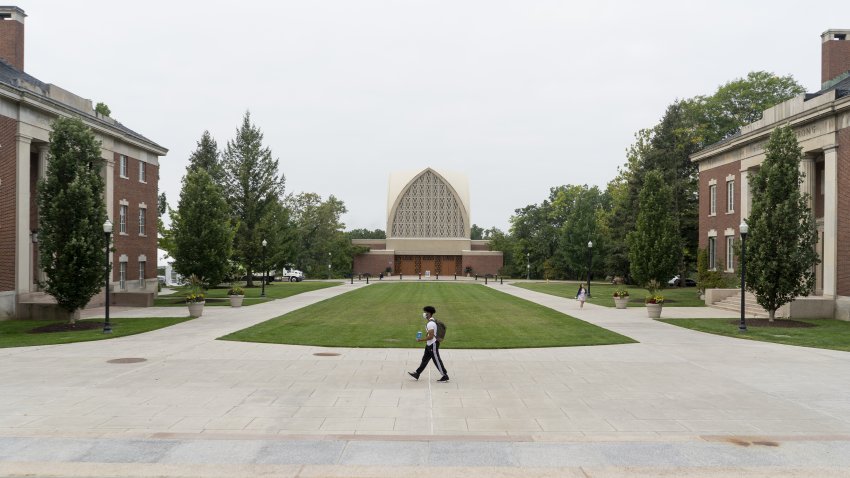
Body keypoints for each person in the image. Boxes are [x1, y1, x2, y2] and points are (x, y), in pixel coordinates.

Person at [408, 305, 449, 383]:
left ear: (429, 313)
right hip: (429, 345)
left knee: (437, 360)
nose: (424, 314)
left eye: (425, 312)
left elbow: (430, 336)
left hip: (433, 344)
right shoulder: (433, 320)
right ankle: (417, 373)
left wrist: (420, 340)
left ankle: (445, 375)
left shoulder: (430, 324)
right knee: (425, 360)